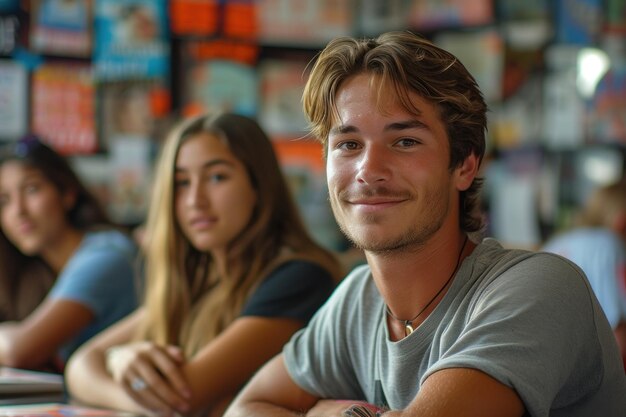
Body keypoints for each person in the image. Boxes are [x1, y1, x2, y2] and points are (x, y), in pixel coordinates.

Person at [224, 31, 626, 417]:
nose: (369, 170)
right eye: (348, 144)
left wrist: (329, 412)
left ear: (465, 165)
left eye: (405, 142)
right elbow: (243, 409)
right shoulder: (358, 301)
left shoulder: (538, 288)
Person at [65, 112, 343, 417]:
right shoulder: (197, 278)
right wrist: (120, 359)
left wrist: (128, 382)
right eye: (182, 183)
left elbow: (182, 396)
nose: (195, 200)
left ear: (259, 186)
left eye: (216, 177)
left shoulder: (299, 276)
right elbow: (80, 365)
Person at [0, 135, 139, 372]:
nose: (18, 211)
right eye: (4, 200)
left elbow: (19, 350)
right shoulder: (36, 273)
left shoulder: (106, 255)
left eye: (32, 189)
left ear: (67, 193)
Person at [543, 179, 626, 368]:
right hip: (585, 372)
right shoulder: (609, 244)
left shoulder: (559, 241)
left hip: (546, 365)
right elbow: (617, 333)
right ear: (622, 221)